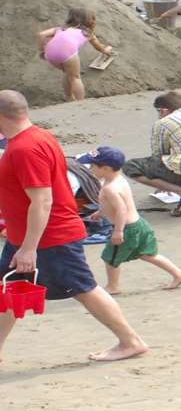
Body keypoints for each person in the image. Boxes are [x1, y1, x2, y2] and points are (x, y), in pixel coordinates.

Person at [0, 91, 147, 364]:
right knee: (7, 290)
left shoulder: (24, 148)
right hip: (28, 236)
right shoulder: (37, 136)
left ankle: (130, 341)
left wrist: (29, 247)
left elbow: (42, 200)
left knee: (84, 288)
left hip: (49, 238)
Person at [80, 146, 181, 294]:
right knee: (147, 254)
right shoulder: (119, 180)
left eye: (92, 166)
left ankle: (113, 286)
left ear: (105, 168)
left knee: (110, 258)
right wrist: (100, 212)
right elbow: (117, 204)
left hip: (126, 228)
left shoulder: (109, 188)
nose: (90, 169)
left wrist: (118, 231)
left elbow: (121, 209)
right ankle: (178, 273)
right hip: (139, 224)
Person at [39, 8, 112, 102]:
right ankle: (80, 102)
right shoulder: (87, 33)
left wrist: (42, 50)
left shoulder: (60, 29)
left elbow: (41, 35)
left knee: (68, 73)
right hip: (67, 53)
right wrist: (105, 50)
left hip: (50, 54)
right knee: (75, 78)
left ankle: (70, 98)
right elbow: (98, 47)